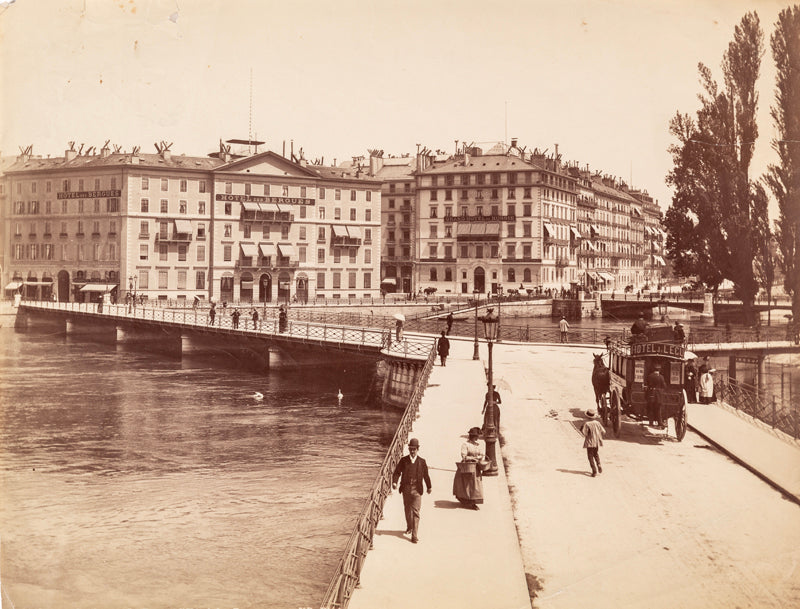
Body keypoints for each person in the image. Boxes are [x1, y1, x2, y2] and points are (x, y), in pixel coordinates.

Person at [391, 438, 431, 544]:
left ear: (418, 449)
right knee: (407, 509)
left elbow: (426, 475)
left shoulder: (422, 462)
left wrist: (429, 487)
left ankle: (414, 535)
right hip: (406, 489)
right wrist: (394, 482)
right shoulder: (404, 460)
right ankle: (409, 526)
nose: (412, 451)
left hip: (417, 490)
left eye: (414, 449)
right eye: (410, 449)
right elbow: (397, 472)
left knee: (416, 512)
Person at [453, 427, 485, 510]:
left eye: (477, 436)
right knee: (466, 485)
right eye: (475, 436)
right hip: (467, 467)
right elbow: (464, 456)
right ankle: (466, 500)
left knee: (475, 485)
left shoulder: (477, 445)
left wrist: (480, 457)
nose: (477, 438)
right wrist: (473, 458)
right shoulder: (466, 445)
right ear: (471, 436)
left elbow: (481, 454)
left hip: (476, 468)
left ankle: (473, 502)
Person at [581, 409, 605, 477]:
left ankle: (594, 471)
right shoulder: (597, 423)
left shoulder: (586, 424)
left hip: (590, 442)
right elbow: (603, 431)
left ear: (587, 417)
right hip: (596, 442)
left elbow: (584, 433)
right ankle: (599, 464)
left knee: (590, 456)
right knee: (596, 454)